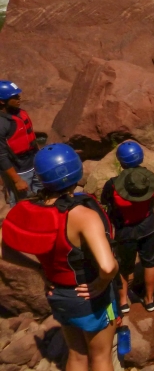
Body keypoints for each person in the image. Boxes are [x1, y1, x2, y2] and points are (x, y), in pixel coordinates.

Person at [1, 143, 120, 371]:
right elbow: (107, 266)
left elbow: (3, 248)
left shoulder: (30, 209)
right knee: (101, 356)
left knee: (76, 354)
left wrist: (37, 270)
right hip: (90, 295)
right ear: (76, 171)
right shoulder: (84, 215)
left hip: (57, 293)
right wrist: (102, 283)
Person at [100, 141, 154, 314]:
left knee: (124, 267)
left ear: (120, 161)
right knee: (150, 262)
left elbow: (105, 201)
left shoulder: (112, 184)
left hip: (124, 230)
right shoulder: (149, 178)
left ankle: (123, 302)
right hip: (147, 226)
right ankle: (149, 300)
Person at [0, 80, 42, 207]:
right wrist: (17, 180)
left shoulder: (20, 113)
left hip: (34, 163)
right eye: (14, 97)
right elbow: (1, 156)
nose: (19, 98)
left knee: (41, 196)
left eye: (18, 95)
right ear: (2, 101)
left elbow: (32, 140)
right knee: (21, 205)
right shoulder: (2, 124)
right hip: (19, 172)